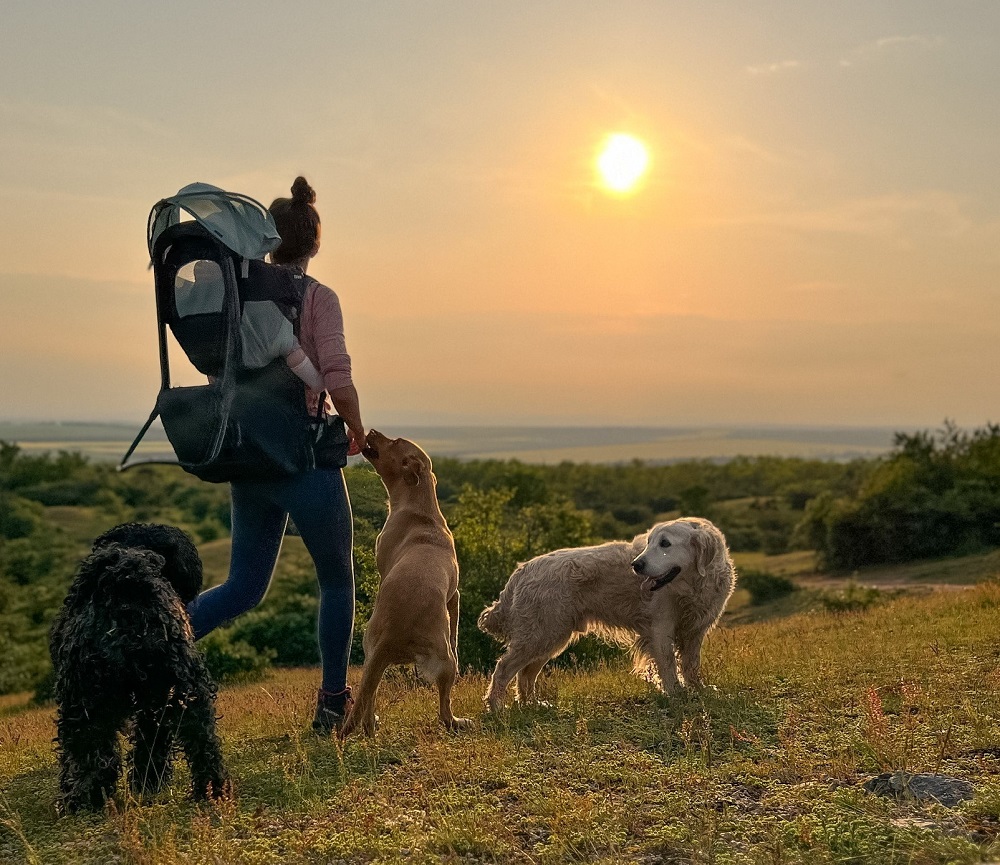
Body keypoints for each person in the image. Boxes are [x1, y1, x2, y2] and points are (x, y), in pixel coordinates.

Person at [186, 176, 366, 733]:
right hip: (303, 457)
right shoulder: (316, 298)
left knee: (243, 586)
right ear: (313, 243)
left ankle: (157, 641)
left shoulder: (236, 294)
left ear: (267, 238)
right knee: (337, 580)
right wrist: (356, 426)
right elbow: (335, 373)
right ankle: (333, 704)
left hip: (249, 457)